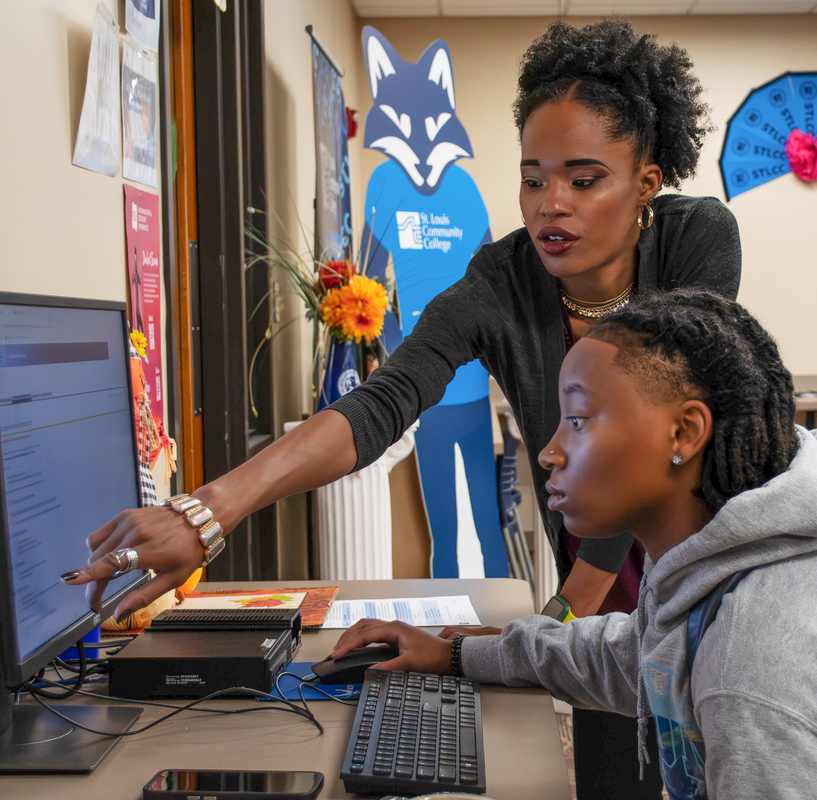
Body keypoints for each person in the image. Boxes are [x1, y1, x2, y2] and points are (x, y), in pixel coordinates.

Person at [64, 19, 735, 799]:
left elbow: (650, 430)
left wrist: (559, 614)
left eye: (584, 181)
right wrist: (209, 511)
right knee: (616, 778)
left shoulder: (697, 241)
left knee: (722, 763)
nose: (551, 205)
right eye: (533, 179)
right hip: (595, 594)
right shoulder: (500, 281)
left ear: (646, 181)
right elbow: (385, 400)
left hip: (710, 572)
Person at [329, 289, 817, 799]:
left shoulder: (759, 671)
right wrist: (458, 654)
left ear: (684, 432)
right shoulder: (715, 571)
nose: (550, 452)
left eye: (578, 420)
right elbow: (637, 653)